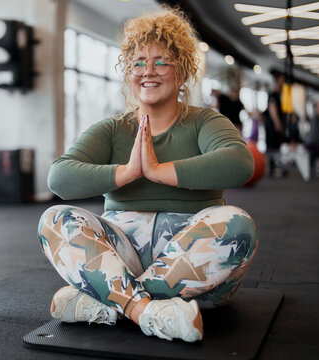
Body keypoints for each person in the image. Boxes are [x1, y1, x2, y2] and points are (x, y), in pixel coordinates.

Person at [37, 8, 258, 343]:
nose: (148, 72)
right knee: (54, 219)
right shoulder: (113, 129)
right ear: (129, 73)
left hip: (190, 266)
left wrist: (158, 171)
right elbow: (60, 178)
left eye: (162, 62)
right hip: (122, 253)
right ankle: (147, 312)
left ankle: (109, 302)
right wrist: (127, 172)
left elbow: (240, 163)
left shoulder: (204, 122)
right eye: (138, 62)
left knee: (238, 225)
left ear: (182, 72)